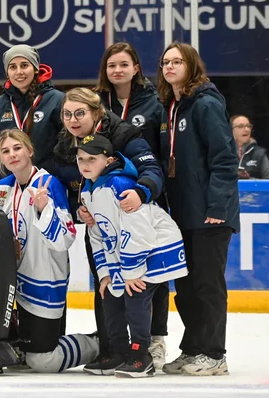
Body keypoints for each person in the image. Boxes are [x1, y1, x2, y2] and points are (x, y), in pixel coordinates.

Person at [53, 87, 168, 368]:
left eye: (80, 113)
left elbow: (152, 169)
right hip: (101, 228)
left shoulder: (124, 135)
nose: (73, 119)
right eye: (67, 114)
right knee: (104, 285)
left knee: (136, 289)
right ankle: (112, 351)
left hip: (134, 225)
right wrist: (78, 207)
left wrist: (142, 192)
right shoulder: (64, 145)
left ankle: (143, 350)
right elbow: (72, 182)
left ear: (97, 113)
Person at [0, 130, 99, 373]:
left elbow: (64, 239)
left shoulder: (48, 185)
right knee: (24, 355)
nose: (12, 155)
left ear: (30, 150)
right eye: (5, 151)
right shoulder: (0, 190)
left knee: (42, 360)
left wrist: (42, 209)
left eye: (17, 148)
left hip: (43, 282)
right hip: (12, 284)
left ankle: (100, 343)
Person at [157, 41, 238, 376]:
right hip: (183, 213)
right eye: (165, 62)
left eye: (177, 61)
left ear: (191, 65)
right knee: (187, 286)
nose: (170, 67)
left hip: (209, 214)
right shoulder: (171, 107)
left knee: (207, 284)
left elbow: (224, 158)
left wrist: (217, 205)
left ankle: (214, 353)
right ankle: (193, 349)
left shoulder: (205, 104)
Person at [78, 134, 188, 378]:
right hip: (126, 255)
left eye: (92, 159)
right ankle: (119, 352)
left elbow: (139, 232)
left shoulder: (120, 186)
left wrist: (131, 273)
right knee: (110, 296)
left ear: (108, 161)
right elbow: (98, 234)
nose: (85, 164)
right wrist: (105, 274)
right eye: (81, 159)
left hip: (157, 249)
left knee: (134, 296)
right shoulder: (89, 190)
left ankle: (141, 354)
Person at [0, 45, 65, 187]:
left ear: (35, 68)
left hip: (48, 182)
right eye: (13, 67)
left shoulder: (57, 101)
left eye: (24, 65)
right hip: (11, 185)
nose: (19, 72)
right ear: (7, 73)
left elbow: (65, 146)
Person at [232, 115, 269, 179]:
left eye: (248, 126)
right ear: (231, 130)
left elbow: (267, 182)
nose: (246, 129)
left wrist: (249, 180)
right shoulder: (223, 151)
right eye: (241, 126)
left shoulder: (260, 153)